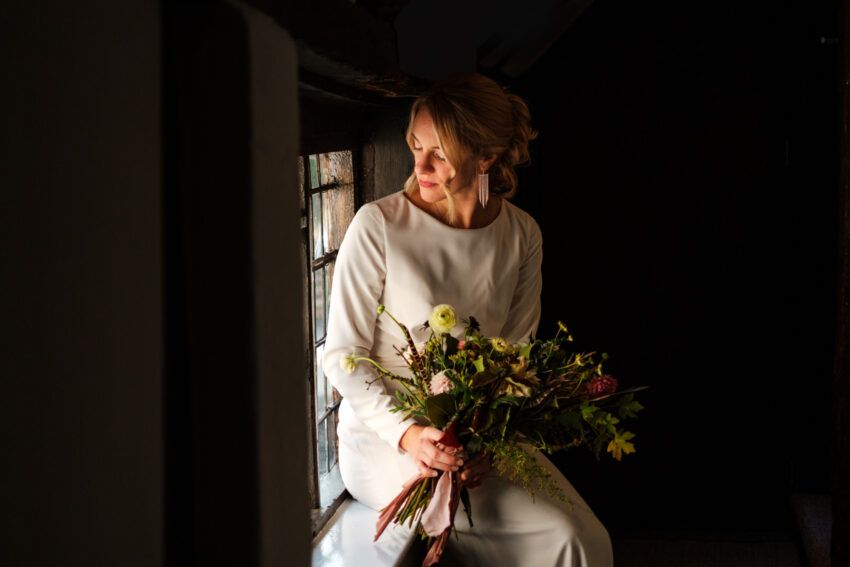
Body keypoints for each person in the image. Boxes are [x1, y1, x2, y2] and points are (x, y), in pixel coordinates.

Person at [322, 73, 613, 566]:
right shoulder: (378, 225)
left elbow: (516, 355)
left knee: (582, 538)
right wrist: (412, 436)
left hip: (481, 441)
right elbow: (342, 357)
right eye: (416, 144)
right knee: (560, 540)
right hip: (384, 440)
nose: (420, 163)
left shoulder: (522, 235)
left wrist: (487, 442)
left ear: (485, 159)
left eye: (439, 151)